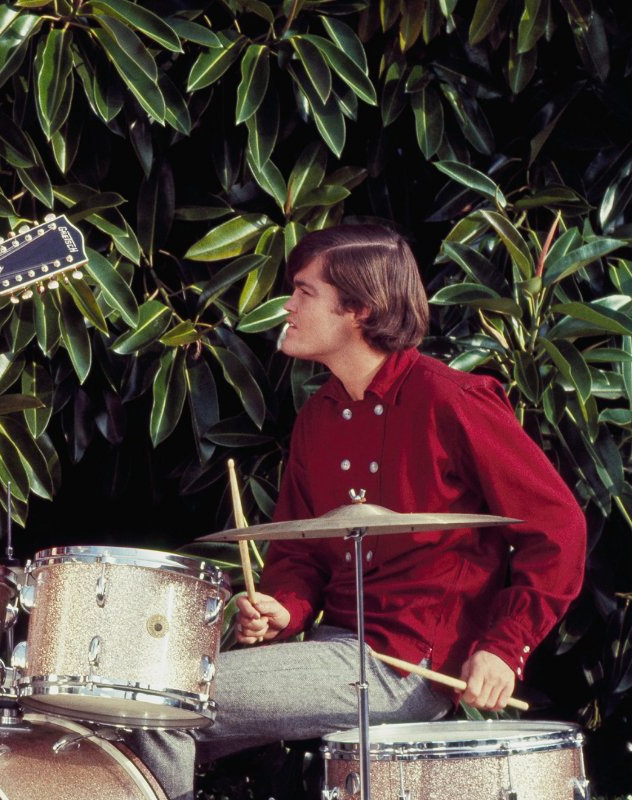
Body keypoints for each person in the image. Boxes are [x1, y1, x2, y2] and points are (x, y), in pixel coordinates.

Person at [131, 224, 587, 799]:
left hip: (403, 667)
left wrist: (504, 646)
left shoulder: (451, 399)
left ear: (359, 309)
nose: (288, 306)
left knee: (164, 699)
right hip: (334, 653)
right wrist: (282, 610)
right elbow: (299, 554)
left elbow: (560, 527)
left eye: (304, 292)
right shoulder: (318, 415)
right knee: (126, 713)